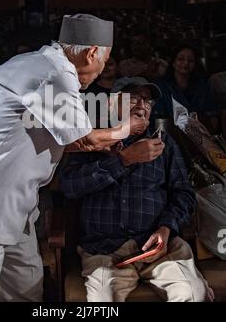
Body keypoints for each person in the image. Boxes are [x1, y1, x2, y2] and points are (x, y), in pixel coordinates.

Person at [0, 14, 147, 302]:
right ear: (92, 53)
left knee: (26, 289)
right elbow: (82, 138)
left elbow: (56, 137)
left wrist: (100, 144)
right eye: (105, 62)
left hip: (13, 208)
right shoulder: (53, 75)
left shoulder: (34, 63)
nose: (102, 70)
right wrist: (125, 129)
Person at [60, 76, 213, 302]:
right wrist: (124, 160)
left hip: (159, 248)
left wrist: (166, 228)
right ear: (112, 104)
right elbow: (69, 186)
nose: (142, 106)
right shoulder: (91, 139)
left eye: (148, 101)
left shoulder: (164, 143)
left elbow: (184, 193)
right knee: (103, 301)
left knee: (193, 294)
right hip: (105, 250)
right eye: (134, 99)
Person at [153, 45, 218, 132]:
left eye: (190, 60)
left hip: (201, 134)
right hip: (171, 136)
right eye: (181, 59)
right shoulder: (161, 86)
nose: (186, 63)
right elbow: (159, 120)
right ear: (173, 62)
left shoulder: (203, 85)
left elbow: (212, 115)